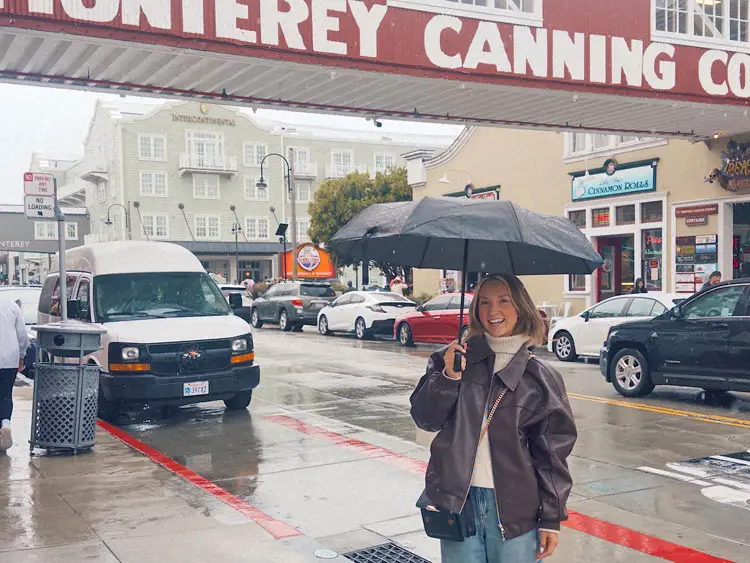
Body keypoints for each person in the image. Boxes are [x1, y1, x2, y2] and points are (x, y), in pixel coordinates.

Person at [410, 274, 576, 563]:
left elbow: (552, 456)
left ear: (521, 306)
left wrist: (551, 517)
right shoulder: (452, 359)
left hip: (514, 509)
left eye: (503, 301)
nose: (492, 311)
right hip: (458, 503)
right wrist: (449, 377)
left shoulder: (541, 377)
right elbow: (425, 419)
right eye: (483, 302)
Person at [0, 294, 29, 452]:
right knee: (5, 394)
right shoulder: (11, 305)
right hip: (9, 359)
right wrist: (22, 356)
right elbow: (22, 336)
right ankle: (5, 424)